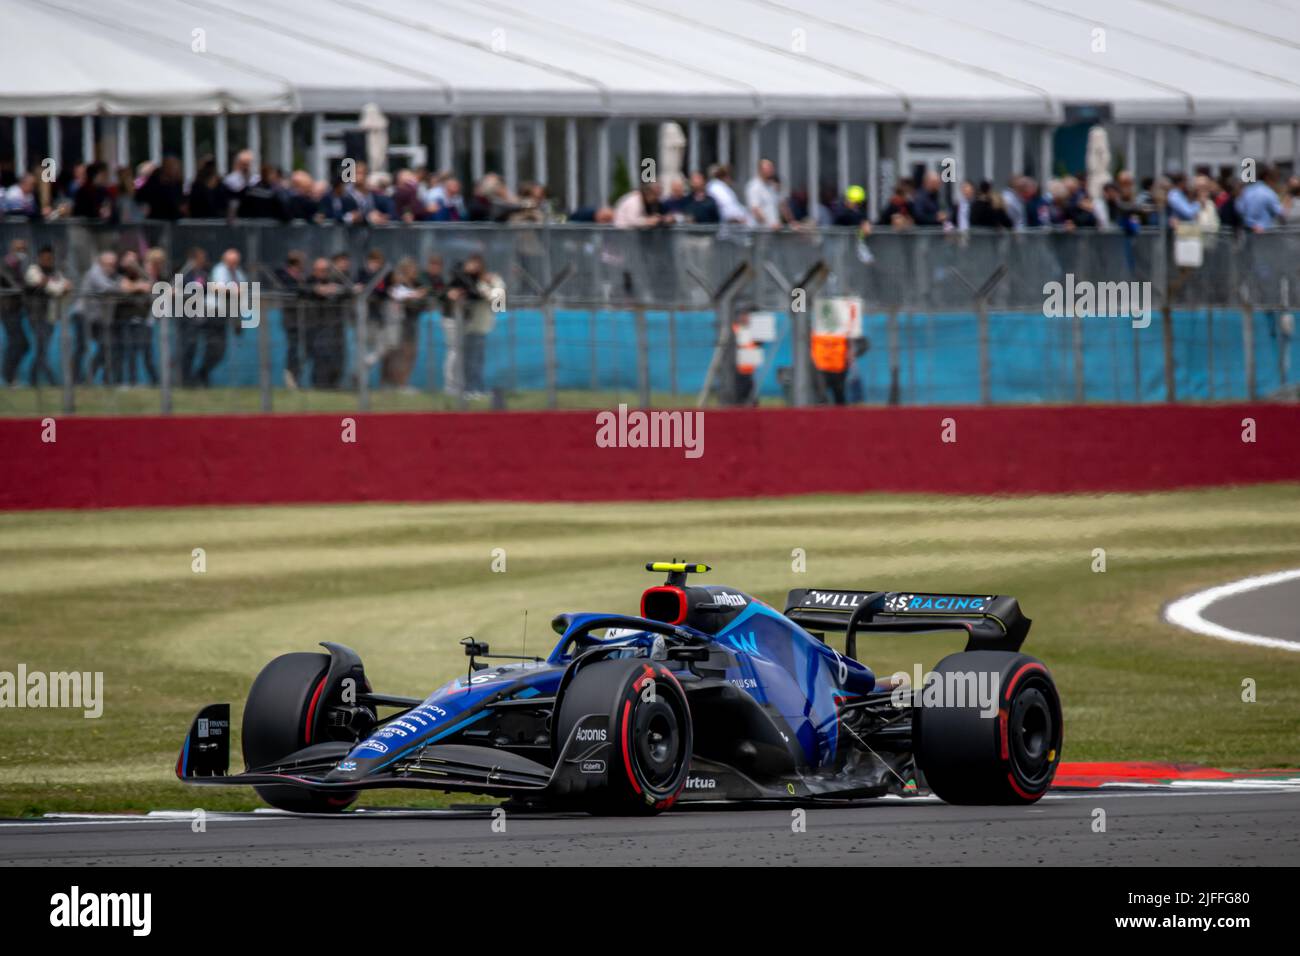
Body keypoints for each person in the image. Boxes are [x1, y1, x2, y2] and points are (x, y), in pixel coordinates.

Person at [445, 254, 501, 399]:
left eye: (477, 265)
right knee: (469, 361)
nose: (474, 268)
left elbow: (499, 305)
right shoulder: (464, 280)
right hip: (467, 325)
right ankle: (470, 389)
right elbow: (452, 289)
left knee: (477, 361)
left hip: (482, 325)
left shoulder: (490, 280)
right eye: (471, 264)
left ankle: (477, 388)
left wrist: (488, 287)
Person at [22, 246, 72, 386]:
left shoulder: (55, 272)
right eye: (45, 258)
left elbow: (66, 287)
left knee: (42, 349)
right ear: (39, 258)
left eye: (50, 258)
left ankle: (34, 380)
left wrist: (60, 286)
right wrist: (60, 286)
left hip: (50, 316)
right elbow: (48, 285)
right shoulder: (33, 270)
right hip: (36, 315)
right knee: (41, 347)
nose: (48, 260)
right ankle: (51, 382)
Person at [383, 257, 428, 388]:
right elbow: (398, 294)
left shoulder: (416, 283)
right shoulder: (398, 284)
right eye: (411, 269)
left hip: (412, 321)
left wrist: (419, 293)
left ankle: (404, 381)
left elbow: (425, 293)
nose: (414, 271)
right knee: (402, 353)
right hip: (401, 322)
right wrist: (416, 294)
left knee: (411, 353)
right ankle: (399, 383)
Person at [177, 248, 210, 387]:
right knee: (186, 348)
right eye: (201, 258)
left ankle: (191, 378)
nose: (203, 261)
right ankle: (184, 379)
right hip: (186, 315)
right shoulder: (185, 273)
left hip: (198, 315)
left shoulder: (203, 274)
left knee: (194, 348)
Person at [1, 240, 30, 384]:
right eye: (18, 249)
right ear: (12, 249)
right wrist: (25, 287)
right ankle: (9, 375)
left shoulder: (20, 266)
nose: (21, 252)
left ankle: (10, 374)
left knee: (22, 344)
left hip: (16, 310)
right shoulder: (5, 264)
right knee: (17, 342)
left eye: (23, 249)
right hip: (7, 309)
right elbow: (14, 284)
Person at [745, 158, 784, 228]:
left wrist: (792, 222)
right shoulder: (754, 186)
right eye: (768, 168)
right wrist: (770, 224)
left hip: (773, 230)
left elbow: (781, 205)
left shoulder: (772, 186)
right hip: (760, 232)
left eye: (772, 167)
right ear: (760, 170)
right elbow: (755, 210)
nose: (771, 170)